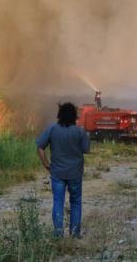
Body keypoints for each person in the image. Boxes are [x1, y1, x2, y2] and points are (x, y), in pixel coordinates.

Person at [36, 102, 90, 238]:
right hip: (75, 173)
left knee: (58, 202)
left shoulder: (52, 129)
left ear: (59, 115)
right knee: (76, 202)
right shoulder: (80, 131)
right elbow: (86, 150)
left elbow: (40, 148)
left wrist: (46, 164)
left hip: (57, 173)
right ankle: (75, 234)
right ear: (75, 116)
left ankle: (58, 233)